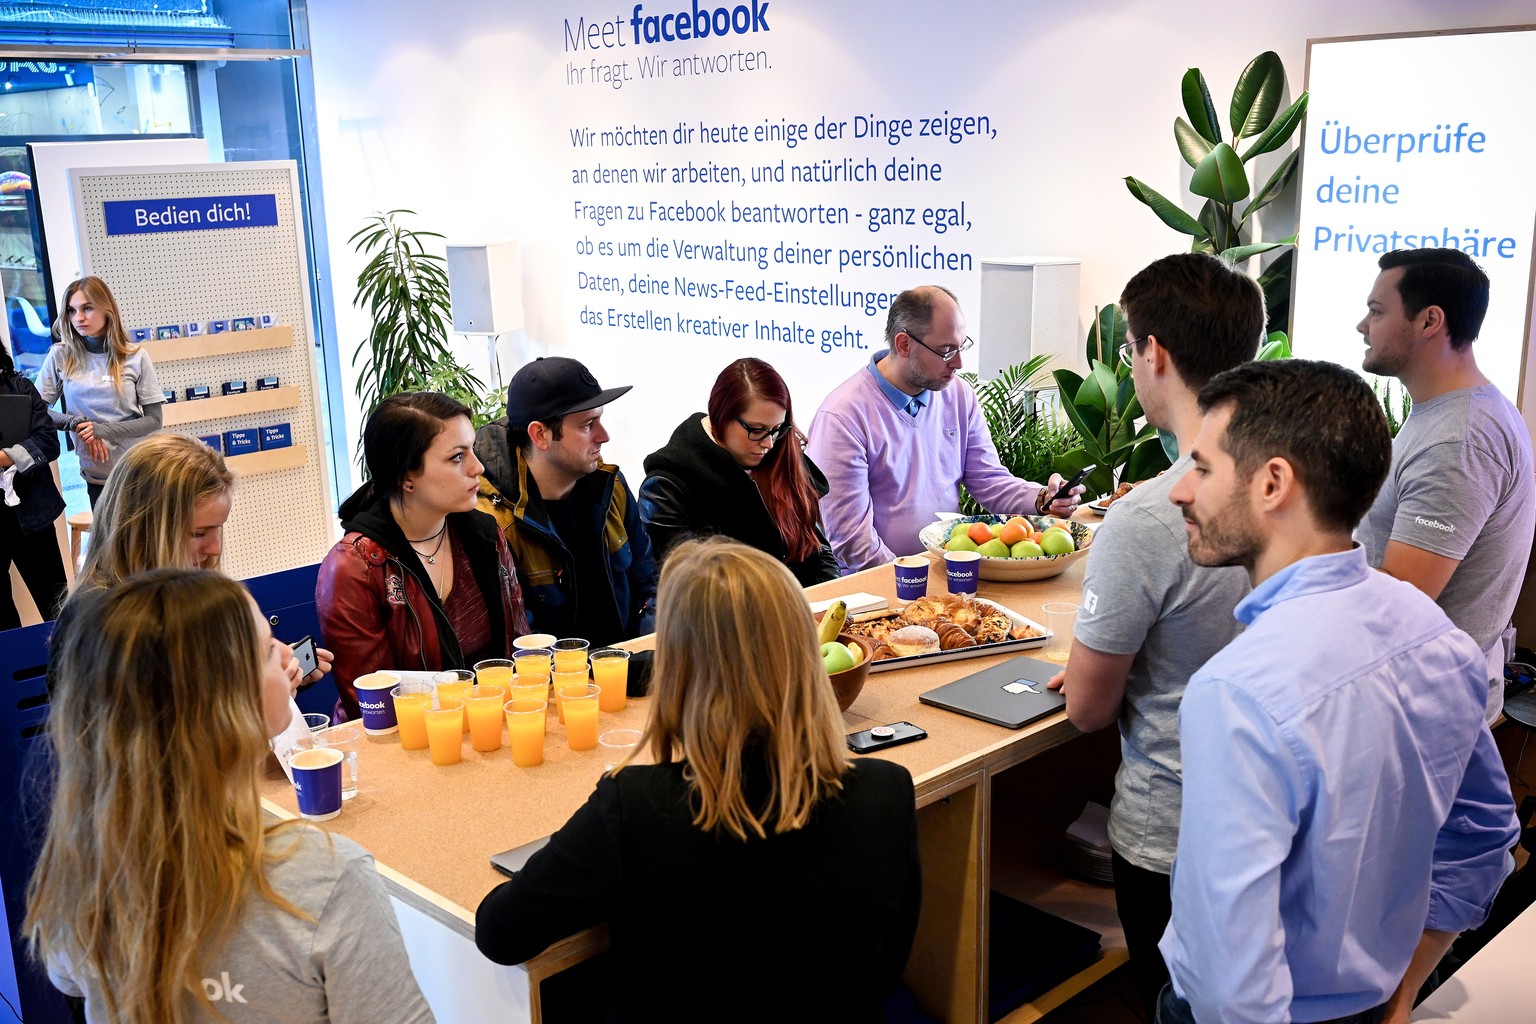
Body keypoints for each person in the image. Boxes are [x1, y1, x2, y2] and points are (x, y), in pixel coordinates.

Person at [1158, 359, 1518, 1024]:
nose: (1183, 491)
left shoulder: (1239, 692)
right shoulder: (1435, 637)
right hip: (1372, 1001)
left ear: (1272, 484)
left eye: (1204, 468)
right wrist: (1405, 987)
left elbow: (1228, 986)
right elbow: (1484, 837)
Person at [475, 539, 920, 1021]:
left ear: (678, 668)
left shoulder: (634, 806)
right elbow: (889, 969)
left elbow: (500, 934)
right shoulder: (887, 791)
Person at [26, 568, 434, 1024]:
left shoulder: (81, 865)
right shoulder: (327, 879)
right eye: (264, 652)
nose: (285, 654)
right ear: (226, 709)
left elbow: (69, 978)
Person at [1047, 253, 1262, 1015]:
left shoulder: (1148, 516)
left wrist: (1088, 668)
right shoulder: (1299, 481)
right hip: (1272, 830)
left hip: (1173, 837)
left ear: (1154, 353)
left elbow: (1087, 711)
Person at [1353, 247, 1535, 722]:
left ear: (1429, 320)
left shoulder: (1458, 439)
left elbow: (1398, 603)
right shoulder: (1452, 416)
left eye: (1376, 311)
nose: (1362, 326)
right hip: (1415, 702)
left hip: (1419, 714)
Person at [806, 285, 1081, 574]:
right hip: (880, 588)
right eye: (947, 351)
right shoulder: (842, 417)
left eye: (962, 346)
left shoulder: (958, 395)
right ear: (903, 344)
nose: (959, 363)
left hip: (949, 572)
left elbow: (988, 479)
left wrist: (1042, 499)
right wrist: (916, 581)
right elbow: (853, 543)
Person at [52, 432, 330, 698]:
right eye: (198, 533)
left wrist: (272, 674)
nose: (215, 549)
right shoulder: (104, 623)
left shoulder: (179, 595)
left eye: (217, 530)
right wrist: (253, 702)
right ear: (145, 528)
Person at [319, 392, 529, 720]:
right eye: (457, 457)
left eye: (472, 449)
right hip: (405, 745)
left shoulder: (484, 535)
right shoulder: (356, 566)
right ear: (406, 478)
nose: (478, 467)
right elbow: (373, 706)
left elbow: (520, 649)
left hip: (489, 725)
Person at [474, 356, 658, 645]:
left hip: (625, 671)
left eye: (601, 419)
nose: (604, 436)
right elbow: (521, 643)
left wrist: (644, 658)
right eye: (588, 425)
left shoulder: (612, 489)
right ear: (540, 434)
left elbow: (649, 584)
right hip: (559, 685)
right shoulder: (495, 523)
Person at [640, 357, 838, 586]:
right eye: (756, 430)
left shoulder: (781, 453)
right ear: (721, 416)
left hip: (805, 610)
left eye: (776, 429)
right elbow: (683, 591)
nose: (768, 444)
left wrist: (832, 600)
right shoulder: (668, 486)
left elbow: (817, 550)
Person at [36, 277, 163, 506]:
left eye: (87, 308)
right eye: (71, 311)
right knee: (109, 542)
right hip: (96, 478)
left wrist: (101, 430)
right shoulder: (60, 355)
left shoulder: (135, 356)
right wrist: (75, 423)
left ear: (107, 309)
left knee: (145, 542)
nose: (79, 318)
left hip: (139, 473)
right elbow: (36, 412)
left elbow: (154, 420)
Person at [0, 341, 68, 629]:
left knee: (56, 606)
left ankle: (69, 670)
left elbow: (49, 442)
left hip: (32, 516)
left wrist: (4, 457)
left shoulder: (20, 388)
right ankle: (11, 673)